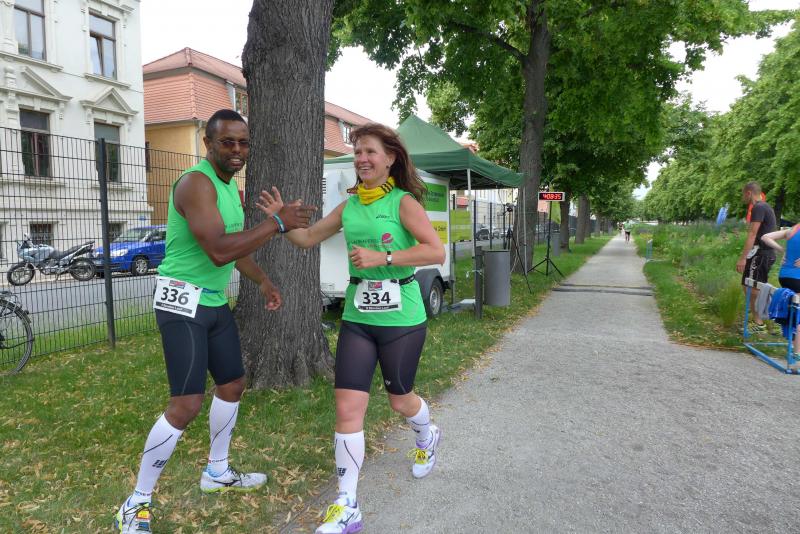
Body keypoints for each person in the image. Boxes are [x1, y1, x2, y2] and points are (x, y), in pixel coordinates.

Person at [114, 109, 315, 533]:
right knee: (186, 404)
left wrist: (263, 281)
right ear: (208, 143)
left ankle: (217, 471)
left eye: (244, 142)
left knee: (233, 384)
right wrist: (277, 223)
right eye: (228, 142)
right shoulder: (196, 184)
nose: (237, 150)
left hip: (212, 301)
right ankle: (136, 503)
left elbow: (235, 249)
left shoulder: (228, 188)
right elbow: (219, 250)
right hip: (181, 303)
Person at [263, 123, 445, 534]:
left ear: (390, 158)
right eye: (358, 151)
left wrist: (384, 257)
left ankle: (426, 435)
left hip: (401, 319)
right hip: (359, 318)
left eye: (370, 152)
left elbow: (435, 250)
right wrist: (279, 221)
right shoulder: (349, 207)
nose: (362, 159)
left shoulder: (403, 203)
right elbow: (307, 238)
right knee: (347, 407)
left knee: (400, 401)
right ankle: (347, 504)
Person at [736, 182, 777, 333]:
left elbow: (752, 234)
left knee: (752, 287)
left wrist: (743, 258)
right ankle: (761, 320)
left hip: (761, 254)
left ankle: (760, 323)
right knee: (749, 285)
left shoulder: (759, 207)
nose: (743, 198)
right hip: (761, 254)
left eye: (743, 194)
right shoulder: (765, 207)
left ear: (748, 193)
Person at [760, 224, 800, 353]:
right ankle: (797, 353)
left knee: (794, 311)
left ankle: (793, 346)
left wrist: (782, 250)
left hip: (784, 276)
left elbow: (765, 237)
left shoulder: (792, 230)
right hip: (798, 278)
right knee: (798, 314)